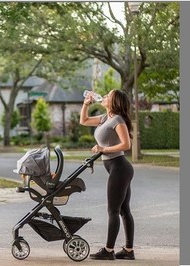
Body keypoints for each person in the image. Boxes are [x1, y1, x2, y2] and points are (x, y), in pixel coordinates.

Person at [79, 89, 135, 260]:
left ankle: (108, 251)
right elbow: (84, 121)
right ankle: (128, 251)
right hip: (116, 168)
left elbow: (126, 144)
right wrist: (85, 104)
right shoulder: (106, 118)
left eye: (108, 96)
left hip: (120, 167)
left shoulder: (117, 119)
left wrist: (103, 149)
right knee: (124, 210)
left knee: (113, 210)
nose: (103, 97)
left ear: (114, 101)